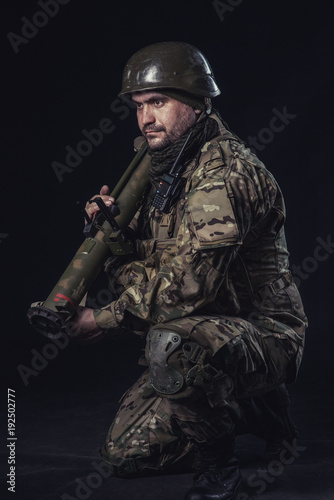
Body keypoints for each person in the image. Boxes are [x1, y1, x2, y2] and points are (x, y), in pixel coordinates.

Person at [72, 42, 307, 500]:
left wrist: (100, 320)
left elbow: (186, 288)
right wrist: (109, 231)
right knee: (125, 456)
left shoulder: (223, 173)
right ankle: (250, 409)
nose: (145, 118)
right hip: (206, 326)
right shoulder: (166, 167)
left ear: (198, 103)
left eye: (158, 102)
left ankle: (219, 472)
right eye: (139, 107)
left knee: (172, 345)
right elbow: (147, 263)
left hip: (264, 335)